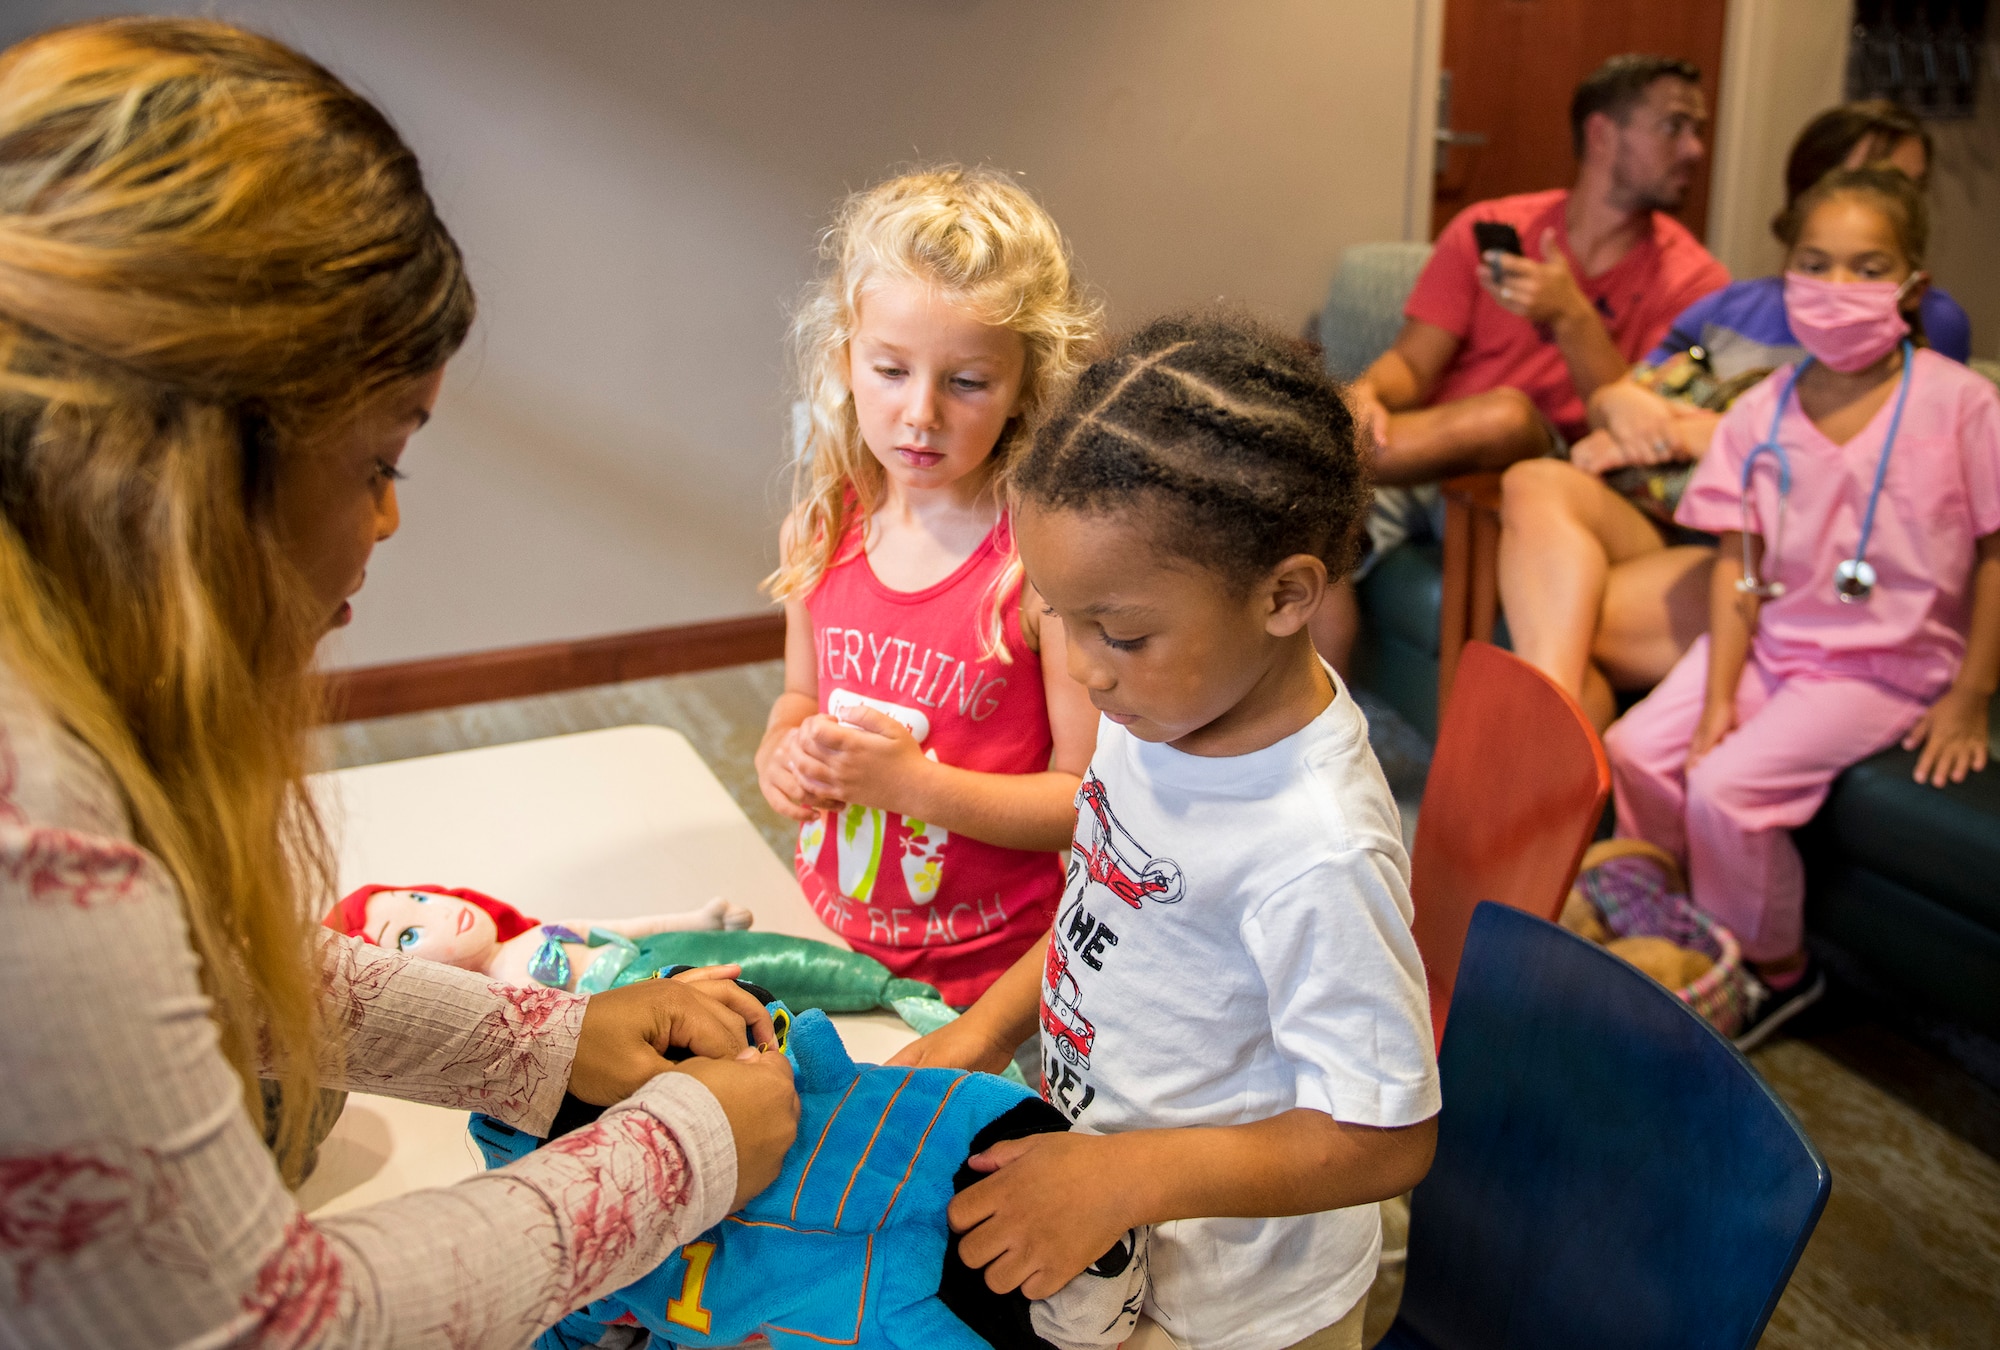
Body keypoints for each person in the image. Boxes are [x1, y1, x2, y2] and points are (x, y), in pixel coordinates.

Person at [0, 19, 798, 1346]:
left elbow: (202, 964)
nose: (386, 521)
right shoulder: (39, 852)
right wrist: (686, 1149)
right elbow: (273, 1324)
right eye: (382, 463)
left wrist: (539, 1041)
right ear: (186, 477)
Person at [892, 315, 1441, 1350]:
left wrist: (1125, 1174)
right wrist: (987, 1031)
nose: (1086, 670)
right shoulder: (1162, 707)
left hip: (1240, 1313)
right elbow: (1106, 901)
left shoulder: (1314, 847)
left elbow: (1385, 1135)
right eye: (1057, 616)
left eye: (1122, 632)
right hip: (1120, 1230)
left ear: (1283, 596)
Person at [1604, 168, 2000, 1050]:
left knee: (1727, 789)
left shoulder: (1963, 404)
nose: (1840, 288)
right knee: (1636, 747)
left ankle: (1776, 972)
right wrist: (1715, 702)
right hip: (1771, 642)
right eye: (1816, 264)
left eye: (1869, 267)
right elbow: (1737, 568)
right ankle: (1678, 934)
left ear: (1912, 286)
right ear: (1787, 277)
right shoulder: (1759, 414)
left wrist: (1971, 692)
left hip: (1884, 665)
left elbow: (1993, 551)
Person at [1500, 99, 1976, 728]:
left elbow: (1869, 449)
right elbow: (1628, 394)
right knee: (1532, 480)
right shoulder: (1731, 305)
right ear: (1813, 189)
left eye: (1910, 188)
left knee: (1564, 614)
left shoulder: (1920, 319)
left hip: (1772, 549)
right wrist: (1626, 407)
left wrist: (1694, 432)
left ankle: (1540, 731)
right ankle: (1554, 723)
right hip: (1668, 508)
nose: (1896, 202)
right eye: (1878, 180)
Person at [755, 167, 1101, 1008]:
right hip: (828, 948)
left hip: (990, 983)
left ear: (1025, 385)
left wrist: (914, 788)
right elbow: (801, 695)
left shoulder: (1040, 566)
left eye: (967, 381)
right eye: (890, 370)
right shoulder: (821, 528)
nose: (921, 413)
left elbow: (1086, 806)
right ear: (845, 358)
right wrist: (780, 752)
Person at [1317, 53, 1729, 667]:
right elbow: (1411, 365)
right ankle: (1321, 458)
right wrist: (1365, 394)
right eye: (1674, 126)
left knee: (1507, 416)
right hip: (1429, 456)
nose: (1695, 148)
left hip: (1559, 473)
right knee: (1306, 528)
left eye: (1697, 130)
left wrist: (1572, 317)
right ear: (1601, 133)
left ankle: (1309, 450)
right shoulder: (1490, 226)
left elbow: (1640, 428)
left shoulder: (1695, 281)